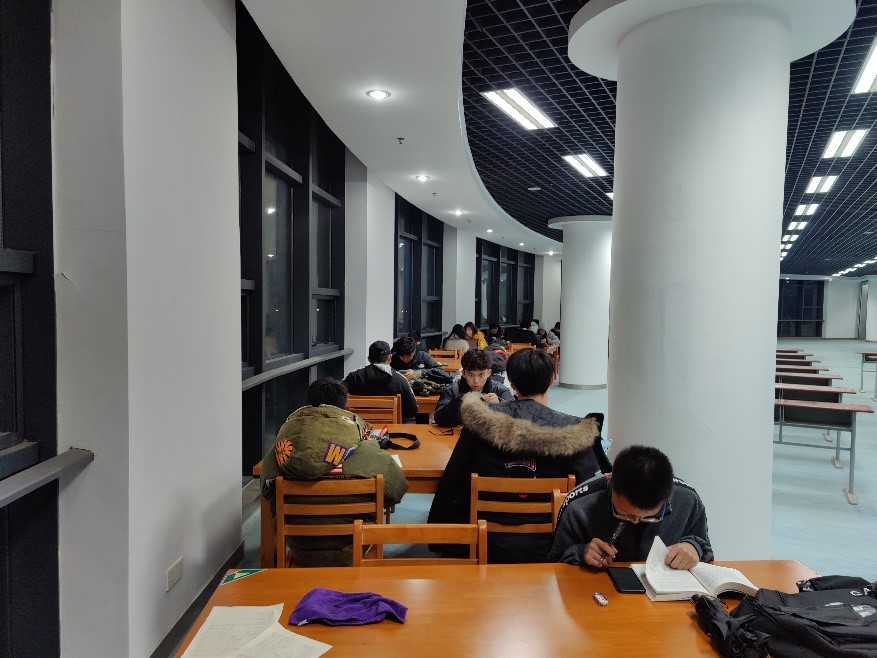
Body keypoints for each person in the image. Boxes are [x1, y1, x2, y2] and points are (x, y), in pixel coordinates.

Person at [428, 349, 605, 563]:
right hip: (551, 549)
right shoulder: (576, 431)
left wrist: (438, 539)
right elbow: (589, 496)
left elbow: (452, 481)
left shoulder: (478, 422)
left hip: (485, 543)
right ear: (552, 379)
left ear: (511, 382)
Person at [259, 378, 408, 566]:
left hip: (300, 548)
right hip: (355, 546)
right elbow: (397, 489)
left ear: (309, 404)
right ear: (344, 406)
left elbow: (267, 492)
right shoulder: (367, 450)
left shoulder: (278, 452)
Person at [547, 445, 713, 569]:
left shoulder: (688, 500)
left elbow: (705, 548)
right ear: (610, 481)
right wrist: (582, 552)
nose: (636, 521)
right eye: (625, 514)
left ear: (668, 495)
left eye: (651, 517)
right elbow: (553, 563)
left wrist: (694, 547)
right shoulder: (579, 505)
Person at [433, 349, 514, 427]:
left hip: (490, 435)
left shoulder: (500, 390)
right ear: (463, 373)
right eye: (471, 375)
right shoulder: (451, 390)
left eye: (481, 374)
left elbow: (515, 416)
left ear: (489, 373)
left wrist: (499, 404)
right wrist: (458, 402)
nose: (476, 381)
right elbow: (438, 419)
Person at [344, 340, 418, 421]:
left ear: (369, 359)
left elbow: (338, 395)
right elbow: (412, 410)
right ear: (390, 358)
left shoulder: (354, 377)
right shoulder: (401, 380)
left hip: (360, 426)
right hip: (390, 427)